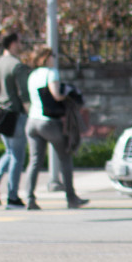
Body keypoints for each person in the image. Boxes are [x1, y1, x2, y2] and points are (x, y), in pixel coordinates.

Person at [23, 46, 89, 210]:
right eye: (52, 55)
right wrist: (69, 93)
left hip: (32, 121)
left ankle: (30, 198)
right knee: (65, 157)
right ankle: (71, 198)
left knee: (35, 161)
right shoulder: (51, 73)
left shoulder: (32, 75)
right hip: (49, 122)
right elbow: (56, 94)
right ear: (45, 57)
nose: (54, 58)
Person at [0, 33, 31, 209]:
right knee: (17, 156)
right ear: (12, 44)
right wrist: (30, 113)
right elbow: (24, 94)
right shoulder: (16, 66)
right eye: (19, 42)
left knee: (10, 152)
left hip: (0, 115)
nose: (21, 45)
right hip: (15, 114)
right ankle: (12, 197)